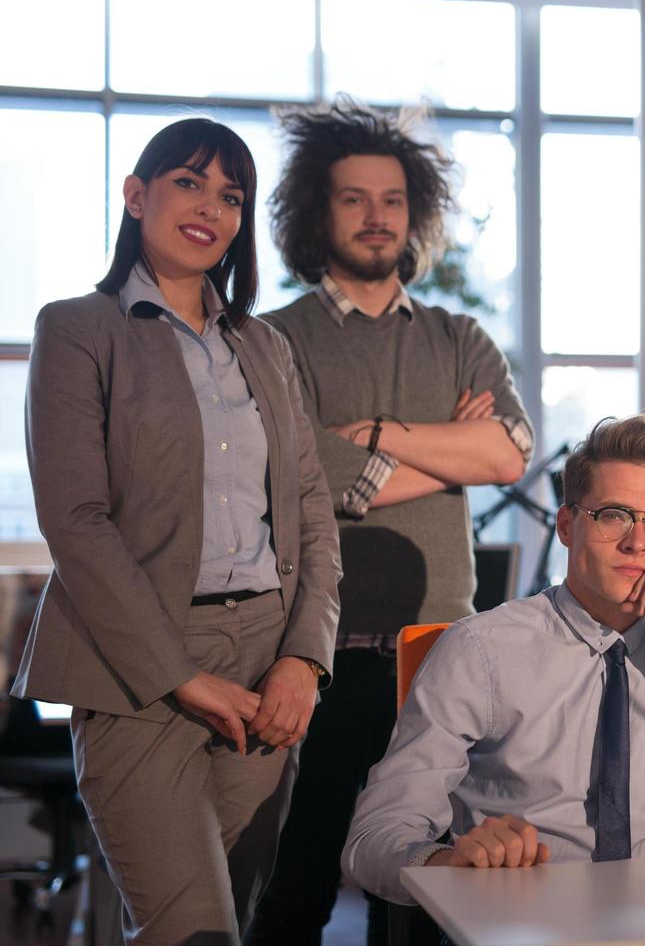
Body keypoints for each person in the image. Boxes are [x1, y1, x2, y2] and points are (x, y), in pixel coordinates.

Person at [14, 117, 342, 944]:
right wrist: (181, 676)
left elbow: (309, 511)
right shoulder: (78, 329)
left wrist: (305, 660)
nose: (210, 208)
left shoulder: (264, 346)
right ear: (136, 195)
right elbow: (76, 523)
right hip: (140, 670)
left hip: (269, 665)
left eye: (230, 195)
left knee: (235, 915)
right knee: (192, 930)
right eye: (188, 183)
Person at [245, 100, 531, 944]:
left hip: (444, 654)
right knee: (297, 886)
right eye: (353, 198)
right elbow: (289, 479)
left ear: (416, 214)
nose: (377, 216)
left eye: (393, 199)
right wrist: (449, 452)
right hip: (316, 656)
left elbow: (509, 456)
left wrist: (363, 442)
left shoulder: (458, 335)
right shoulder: (271, 341)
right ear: (315, 212)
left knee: (420, 897)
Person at [341, 415, 645, 901]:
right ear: (567, 526)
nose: (637, 542)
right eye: (613, 515)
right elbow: (373, 840)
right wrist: (450, 861)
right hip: (518, 920)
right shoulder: (479, 650)